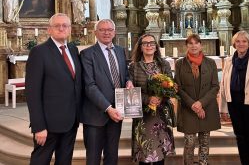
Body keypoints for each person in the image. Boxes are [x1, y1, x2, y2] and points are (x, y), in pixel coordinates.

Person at [25, 13, 82, 164]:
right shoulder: (39, 52)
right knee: (40, 161)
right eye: (57, 26)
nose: (61, 28)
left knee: (64, 161)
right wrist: (39, 126)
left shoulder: (73, 50)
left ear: (70, 29)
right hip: (48, 125)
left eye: (65, 25)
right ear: (49, 30)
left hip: (70, 121)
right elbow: (32, 93)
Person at [81, 19, 133, 165]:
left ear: (114, 32)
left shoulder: (120, 50)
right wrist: (108, 108)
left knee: (112, 155)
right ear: (96, 32)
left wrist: (128, 81)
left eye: (109, 30)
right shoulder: (87, 54)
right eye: (102, 30)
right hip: (95, 114)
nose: (106, 32)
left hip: (117, 112)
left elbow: (125, 74)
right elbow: (89, 86)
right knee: (93, 157)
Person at [219, 31, 249, 165]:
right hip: (234, 105)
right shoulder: (229, 61)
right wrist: (223, 108)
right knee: (240, 138)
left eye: (244, 41)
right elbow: (223, 86)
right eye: (238, 41)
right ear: (234, 44)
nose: (241, 44)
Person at [129, 33, 175, 164]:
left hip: (160, 114)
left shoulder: (164, 64)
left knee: (159, 155)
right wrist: (147, 99)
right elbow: (131, 91)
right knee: (145, 154)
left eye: (152, 43)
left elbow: (171, 86)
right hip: (143, 115)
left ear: (156, 47)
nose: (149, 45)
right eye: (145, 43)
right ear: (140, 47)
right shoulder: (134, 67)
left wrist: (161, 97)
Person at [175, 34, 221, 165]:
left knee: (205, 141)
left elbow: (214, 87)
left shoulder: (211, 63)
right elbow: (178, 88)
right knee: (189, 142)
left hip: (206, 108)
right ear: (187, 46)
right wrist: (193, 105)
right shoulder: (179, 64)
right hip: (188, 109)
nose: (193, 46)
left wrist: (201, 103)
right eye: (190, 43)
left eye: (196, 43)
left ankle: (203, 163)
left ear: (201, 45)